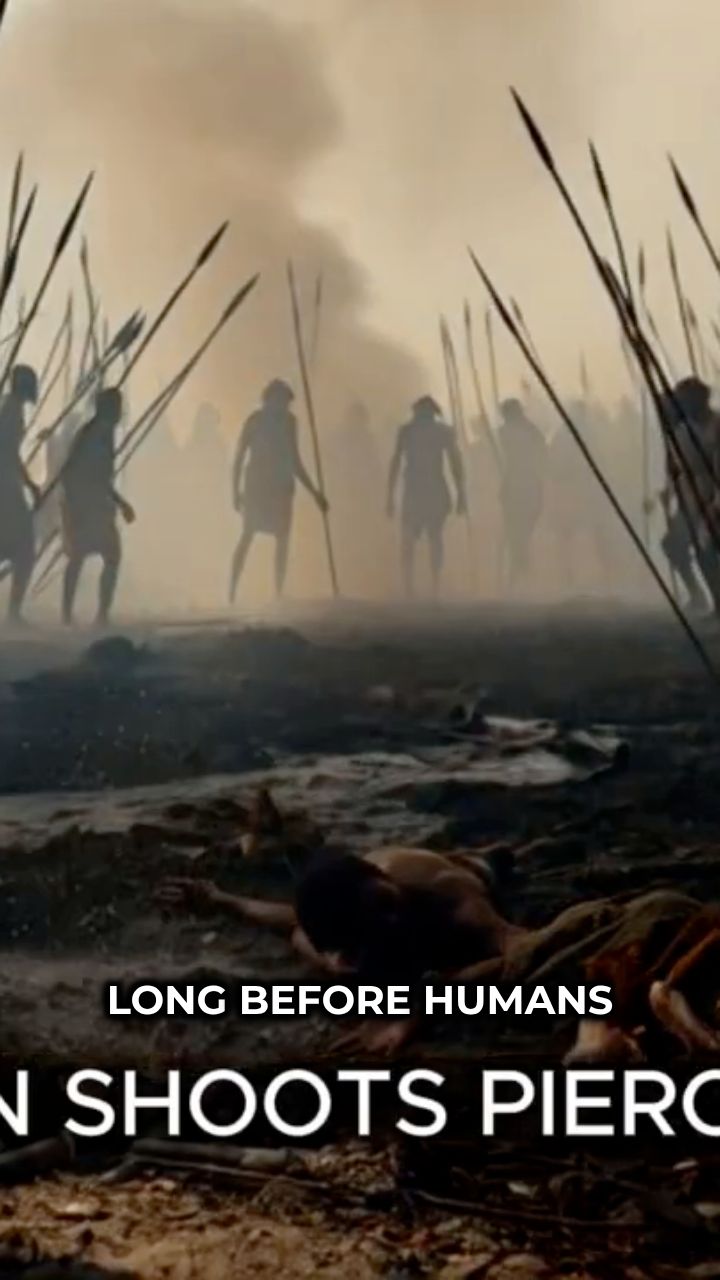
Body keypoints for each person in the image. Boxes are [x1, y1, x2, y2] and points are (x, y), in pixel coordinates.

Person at [229, 379, 328, 602]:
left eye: (285, 402)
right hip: (257, 487)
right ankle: (232, 592)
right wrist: (235, 491)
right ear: (268, 399)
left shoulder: (290, 422)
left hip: (281, 488)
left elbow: (295, 461)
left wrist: (315, 494)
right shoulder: (254, 421)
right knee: (248, 535)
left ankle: (278, 593)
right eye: (279, 400)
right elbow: (239, 458)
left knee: (282, 539)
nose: (283, 405)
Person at [60, 386, 135, 627]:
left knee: (86, 557)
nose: (120, 412)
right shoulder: (95, 435)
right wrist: (120, 503)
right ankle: (90, 615)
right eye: (117, 407)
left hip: (91, 505)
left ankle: (82, 614)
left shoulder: (98, 432)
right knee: (99, 556)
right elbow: (92, 475)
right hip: (88, 506)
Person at [387, 395, 466, 596]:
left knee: (429, 537)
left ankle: (430, 584)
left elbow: (455, 463)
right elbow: (395, 462)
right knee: (417, 538)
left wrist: (461, 493)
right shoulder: (410, 431)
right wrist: (389, 496)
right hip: (420, 489)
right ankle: (415, 585)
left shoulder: (437, 432)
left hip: (429, 488)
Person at [659, 377, 720, 615]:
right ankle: (697, 594)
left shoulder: (716, 427)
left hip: (711, 495)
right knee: (673, 545)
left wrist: (715, 505)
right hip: (690, 499)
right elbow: (677, 466)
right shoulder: (682, 430)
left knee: (707, 549)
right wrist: (669, 491)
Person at [0, 365, 40, 624]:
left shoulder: (10, 408)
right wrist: (29, 484)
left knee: (14, 545)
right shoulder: (11, 411)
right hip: (5, 487)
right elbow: (8, 453)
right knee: (24, 548)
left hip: (8, 485)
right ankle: (13, 612)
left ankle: (14, 611)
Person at [497, 398, 546, 588]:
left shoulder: (509, 431)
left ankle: (518, 572)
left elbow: (539, 451)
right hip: (521, 484)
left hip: (520, 484)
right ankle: (518, 574)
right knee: (517, 533)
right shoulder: (527, 431)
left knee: (518, 533)